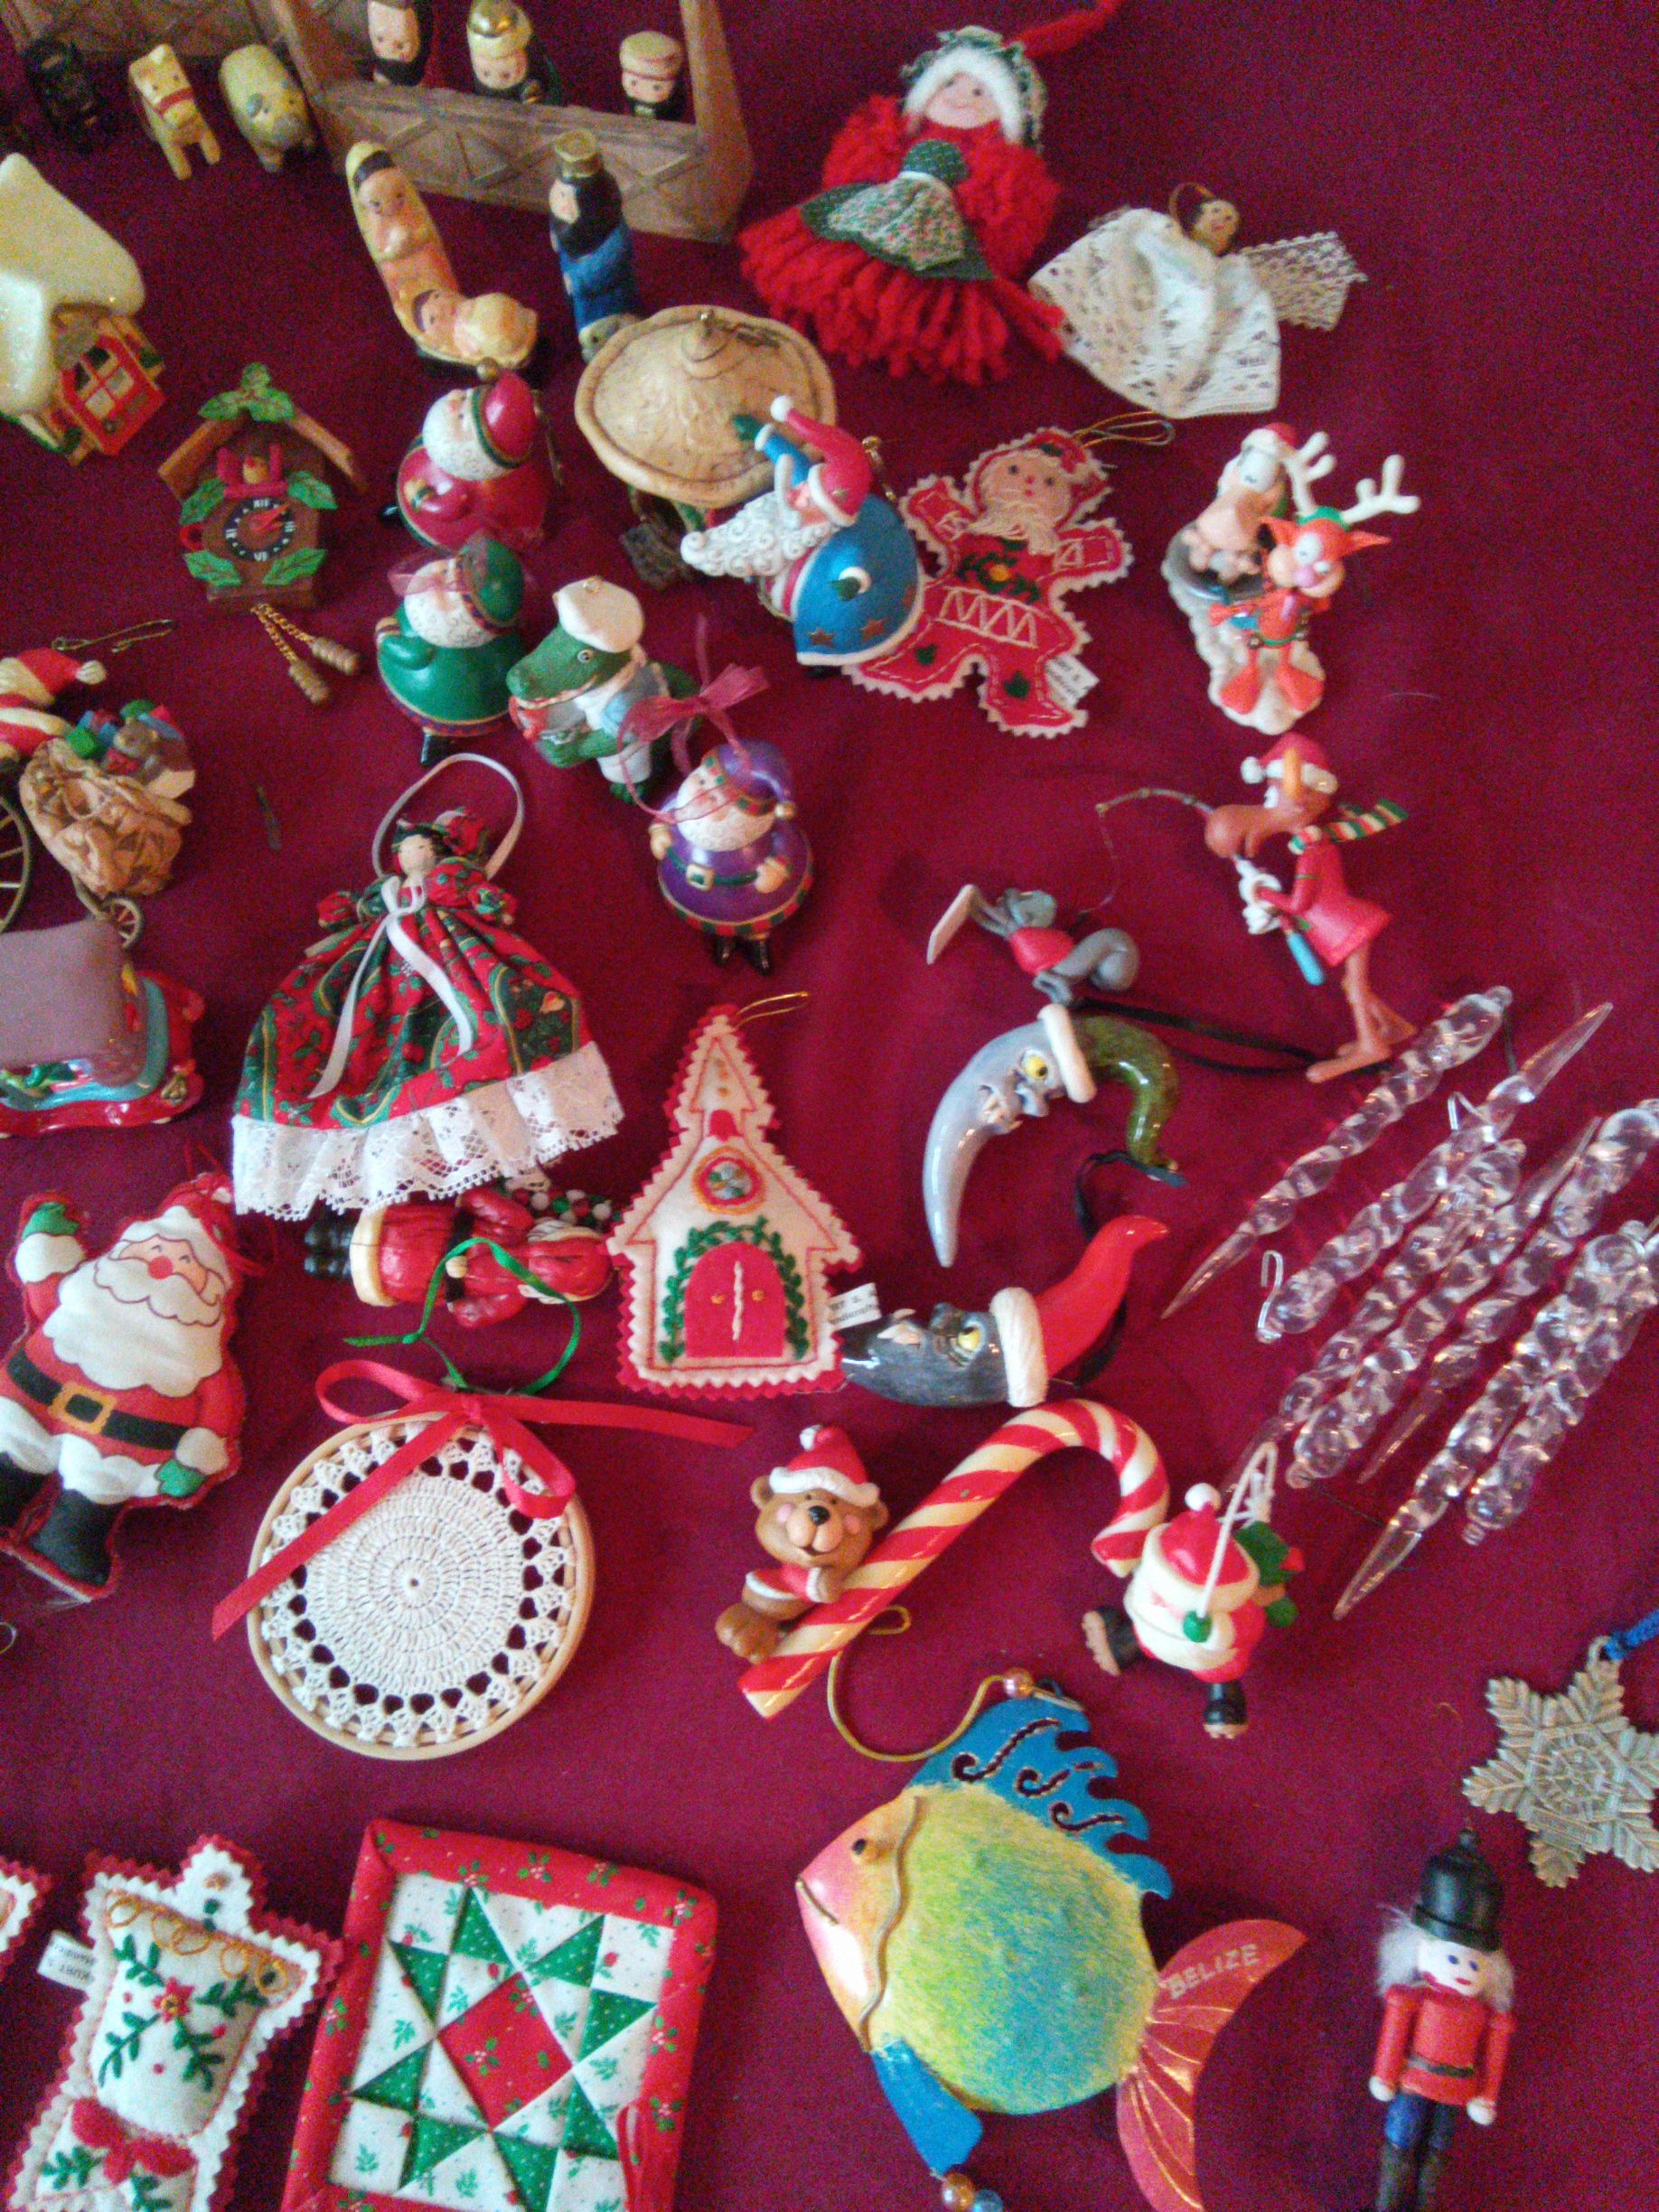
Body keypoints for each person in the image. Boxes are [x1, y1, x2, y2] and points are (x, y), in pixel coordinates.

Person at [548, 129, 639, 359]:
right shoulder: (567, 221)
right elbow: (558, 223)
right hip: (573, 269)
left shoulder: (614, 237)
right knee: (578, 310)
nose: (558, 199)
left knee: (595, 332)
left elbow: (604, 266)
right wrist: (556, 235)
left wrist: (578, 280)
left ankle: (602, 348)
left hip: (602, 297)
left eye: (564, 196)